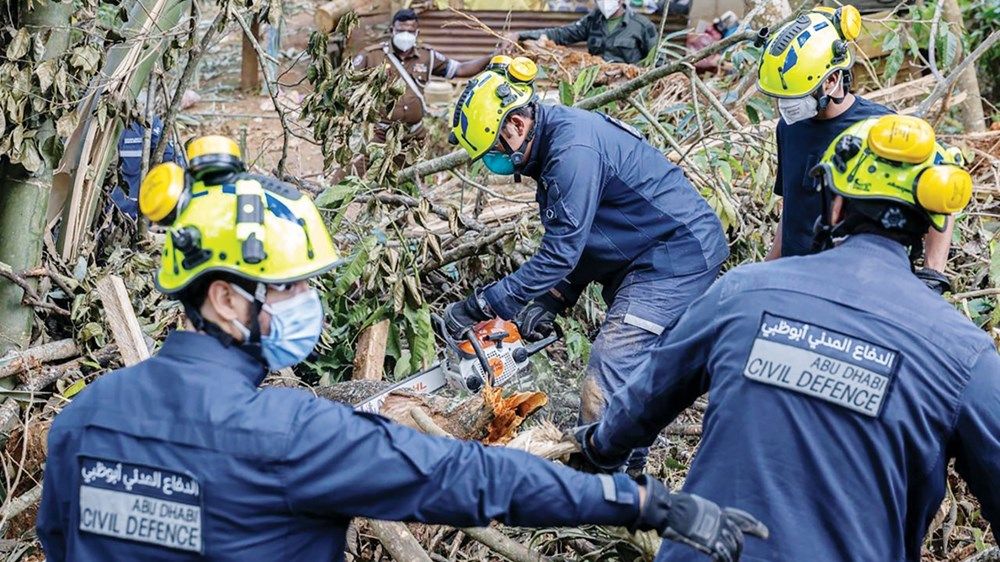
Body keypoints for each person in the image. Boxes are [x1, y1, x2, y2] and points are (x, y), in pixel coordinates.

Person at [36, 135, 767, 561]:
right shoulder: (295, 438)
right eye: (290, 289)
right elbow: (479, 481)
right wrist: (643, 502)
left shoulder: (80, 422)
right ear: (227, 299)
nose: (307, 304)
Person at [572, 114, 997, 561]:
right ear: (932, 224)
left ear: (834, 205)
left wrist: (598, 447)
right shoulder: (964, 354)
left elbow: (643, 398)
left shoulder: (743, 291)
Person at [444, 59, 729, 472]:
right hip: (643, 250)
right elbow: (588, 236)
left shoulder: (570, 152)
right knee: (633, 370)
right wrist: (554, 297)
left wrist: (484, 305)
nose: (496, 163)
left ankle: (598, 482)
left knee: (611, 365)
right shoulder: (554, 144)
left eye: (494, 151)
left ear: (517, 126)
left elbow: (562, 251)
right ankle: (627, 471)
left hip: (675, 255)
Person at [758, 6, 955, 293]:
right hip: (795, 282)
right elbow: (792, 206)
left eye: (795, 97)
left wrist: (932, 275)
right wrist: (765, 271)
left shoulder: (883, 130)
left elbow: (942, 194)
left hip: (857, 288)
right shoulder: (789, 127)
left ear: (831, 80)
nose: (785, 107)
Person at [352, 8, 492, 145]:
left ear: (417, 33)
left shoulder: (427, 56)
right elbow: (349, 85)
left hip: (414, 137)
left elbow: (460, 69)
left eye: (410, 31)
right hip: (379, 137)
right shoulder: (371, 56)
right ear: (392, 31)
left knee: (419, 168)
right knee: (360, 167)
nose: (405, 35)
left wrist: (492, 57)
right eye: (401, 31)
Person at [510, 0, 658, 64]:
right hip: (596, 86)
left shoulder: (642, 25)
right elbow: (561, 34)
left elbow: (657, 60)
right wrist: (520, 35)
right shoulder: (592, 21)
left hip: (629, 89)